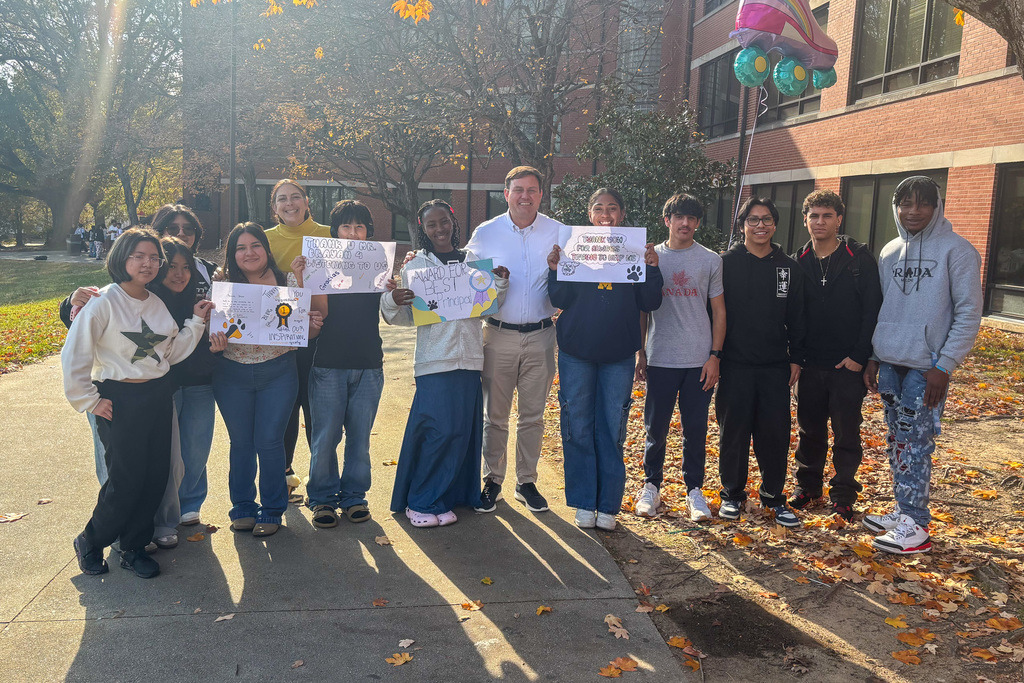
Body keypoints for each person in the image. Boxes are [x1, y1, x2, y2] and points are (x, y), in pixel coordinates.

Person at [63, 228, 210, 579]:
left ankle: (134, 546)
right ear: (122, 258)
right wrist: (89, 400)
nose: (148, 263)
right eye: (139, 256)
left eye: (153, 258)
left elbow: (170, 353)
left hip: (157, 395)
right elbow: (75, 354)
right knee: (126, 479)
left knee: (155, 475)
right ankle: (91, 540)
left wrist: (198, 321)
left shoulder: (155, 303)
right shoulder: (102, 302)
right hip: (119, 398)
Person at [863, 176, 982, 554]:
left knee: (916, 443)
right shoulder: (889, 252)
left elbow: (968, 313)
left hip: (926, 368)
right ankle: (903, 511)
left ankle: (916, 524)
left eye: (923, 203)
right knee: (897, 440)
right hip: (890, 362)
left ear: (937, 206)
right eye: (906, 203)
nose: (913, 211)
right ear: (896, 207)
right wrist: (874, 356)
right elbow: (883, 308)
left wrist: (944, 365)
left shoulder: (957, 251)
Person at [383, 200, 509, 528]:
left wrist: (500, 284)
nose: (439, 229)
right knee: (439, 431)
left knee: (460, 433)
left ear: (452, 222)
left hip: (468, 359)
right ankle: (420, 501)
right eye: (431, 225)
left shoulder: (471, 264)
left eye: (443, 222)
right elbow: (403, 317)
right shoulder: (416, 267)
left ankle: (445, 497)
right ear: (423, 229)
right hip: (433, 361)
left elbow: (488, 311)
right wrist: (389, 299)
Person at [547, 189, 662, 530]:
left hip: (618, 356)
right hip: (576, 352)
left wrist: (652, 269)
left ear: (622, 214)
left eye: (613, 207)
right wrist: (556, 268)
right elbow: (559, 298)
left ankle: (608, 505)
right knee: (578, 427)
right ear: (590, 213)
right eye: (599, 208)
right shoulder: (575, 248)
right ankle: (584, 502)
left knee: (612, 429)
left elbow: (651, 302)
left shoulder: (633, 251)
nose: (606, 214)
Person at [213, 222, 322, 537]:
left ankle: (273, 510)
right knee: (241, 443)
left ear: (266, 248)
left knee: (270, 441)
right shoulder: (223, 283)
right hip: (231, 373)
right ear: (233, 255)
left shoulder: (288, 282)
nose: (249, 253)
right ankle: (243, 508)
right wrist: (214, 339)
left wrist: (312, 324)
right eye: (241, 248)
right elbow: (213, 331)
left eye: (255, 245)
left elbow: (306, 332)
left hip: (278, 371)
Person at [465, 166, 563, 514]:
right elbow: (465, 282)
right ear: (506, 194)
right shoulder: (487, 232)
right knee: (496, 416)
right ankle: (493, 480)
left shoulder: (559, 232)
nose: (525, 196)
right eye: (518, 189)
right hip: (498, 335)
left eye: (532, 190)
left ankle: (527, 481)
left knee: (533, 416)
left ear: (541, 194)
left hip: (541, 335)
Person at [789, 190, 882, 521]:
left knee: (846, 433)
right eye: (813, 215)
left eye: (827, 215)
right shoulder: (796, 262)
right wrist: (795, 358)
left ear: (839, 219)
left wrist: (860, 355)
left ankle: (843, 494)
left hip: (847, 365)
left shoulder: (858, 259)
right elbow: (791, 314)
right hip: (809, 365)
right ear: (805, 220)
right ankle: (808, 487)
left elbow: (872, 309)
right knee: (809, 431)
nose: (820, 221)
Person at [635, 193, 725, 522]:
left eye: (692, 218)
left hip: (699, 359)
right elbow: (643, 308)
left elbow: (719, 310)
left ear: (698, 223)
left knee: (696, 430)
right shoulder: (649, 257)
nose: (685, 223)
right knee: (655, 428)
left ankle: (694, 491)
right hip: (660, 356)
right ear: (667, 220)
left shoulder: (711, 260)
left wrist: (715, 355)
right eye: (679, 217)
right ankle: (651, 486)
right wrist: (640, 350)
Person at [295, 200, 385, 528]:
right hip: (329, 363)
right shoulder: (321, 265)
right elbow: (321, 314)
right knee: (325, 436)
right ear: (335, 232)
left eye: (359, 227)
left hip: (369, 362)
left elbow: (390, 306)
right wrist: (303, 276)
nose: (353, 232)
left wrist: (395, 286)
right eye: (346, 226)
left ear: (367, 232)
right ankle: (321, 497)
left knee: (360, 437)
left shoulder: (378, 265)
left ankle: (354, 497)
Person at [717, 197, 806, 528]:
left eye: (767, 219)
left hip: (774, 366)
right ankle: (732, 495)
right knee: (733, 432)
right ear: (742, 226)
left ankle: (773, 497)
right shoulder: (725, 263)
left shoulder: (789, 267)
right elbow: (713, 314)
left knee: (775, 434)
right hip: (734, 365)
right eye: (753, 220)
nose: (760, 226)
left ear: (775, 224)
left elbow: (798, 318)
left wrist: (796, 357)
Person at [264, 180, 332, 494]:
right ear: (274, 207)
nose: (289, 204)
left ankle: (321, 480)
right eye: (282, 199)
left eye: (295, 197)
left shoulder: (329, 236)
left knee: (316, 409)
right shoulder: (263, 241)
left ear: (306, 202)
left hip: (323, 337)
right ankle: (284, 474)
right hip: (278, 339)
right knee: (284, 409)